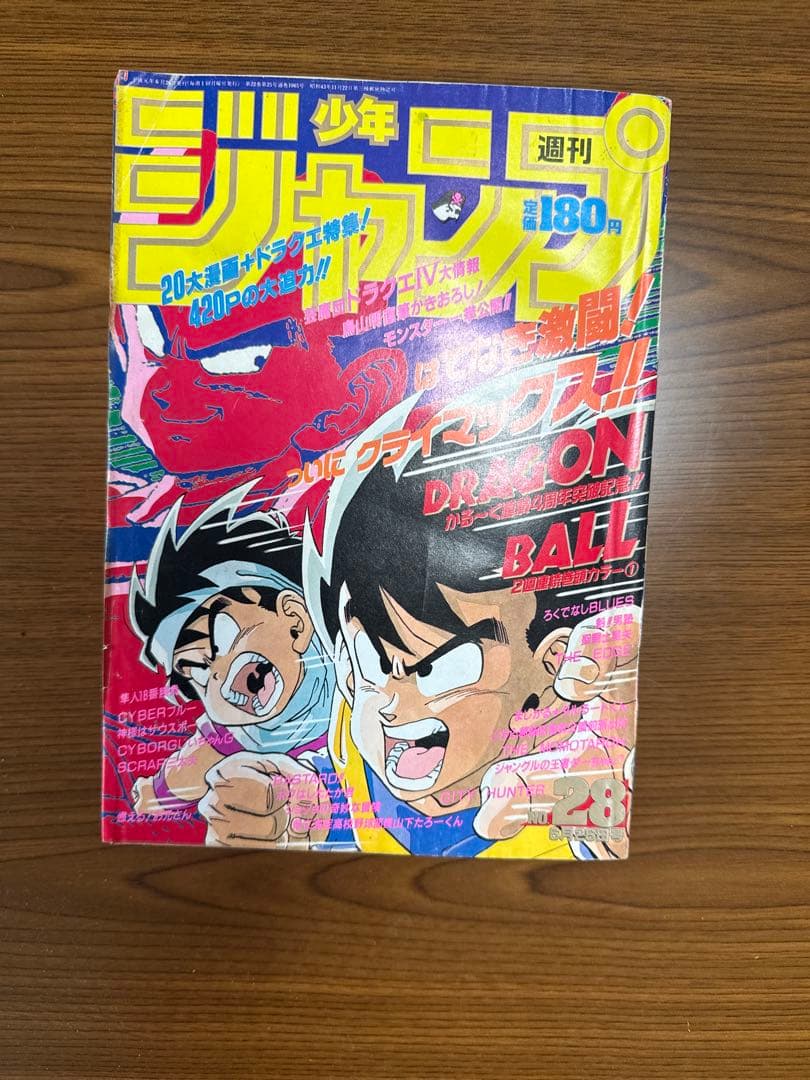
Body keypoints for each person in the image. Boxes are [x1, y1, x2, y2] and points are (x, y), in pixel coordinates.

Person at [197, 420, 639, 858]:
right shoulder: (352, 731)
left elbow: (599, 823)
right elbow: (343, 791)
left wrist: (604, 813)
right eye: (370, 661)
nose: (391, 699)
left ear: (551, 666)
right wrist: (309, 807)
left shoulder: (563, 782)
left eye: (436, 668)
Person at [127, 483, 335, 820]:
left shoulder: (354, 660)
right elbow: (191, 768)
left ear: (295, 621)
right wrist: (156, 795)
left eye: (221, 640)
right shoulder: (241, 732)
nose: (218, 676)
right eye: (198, 671)